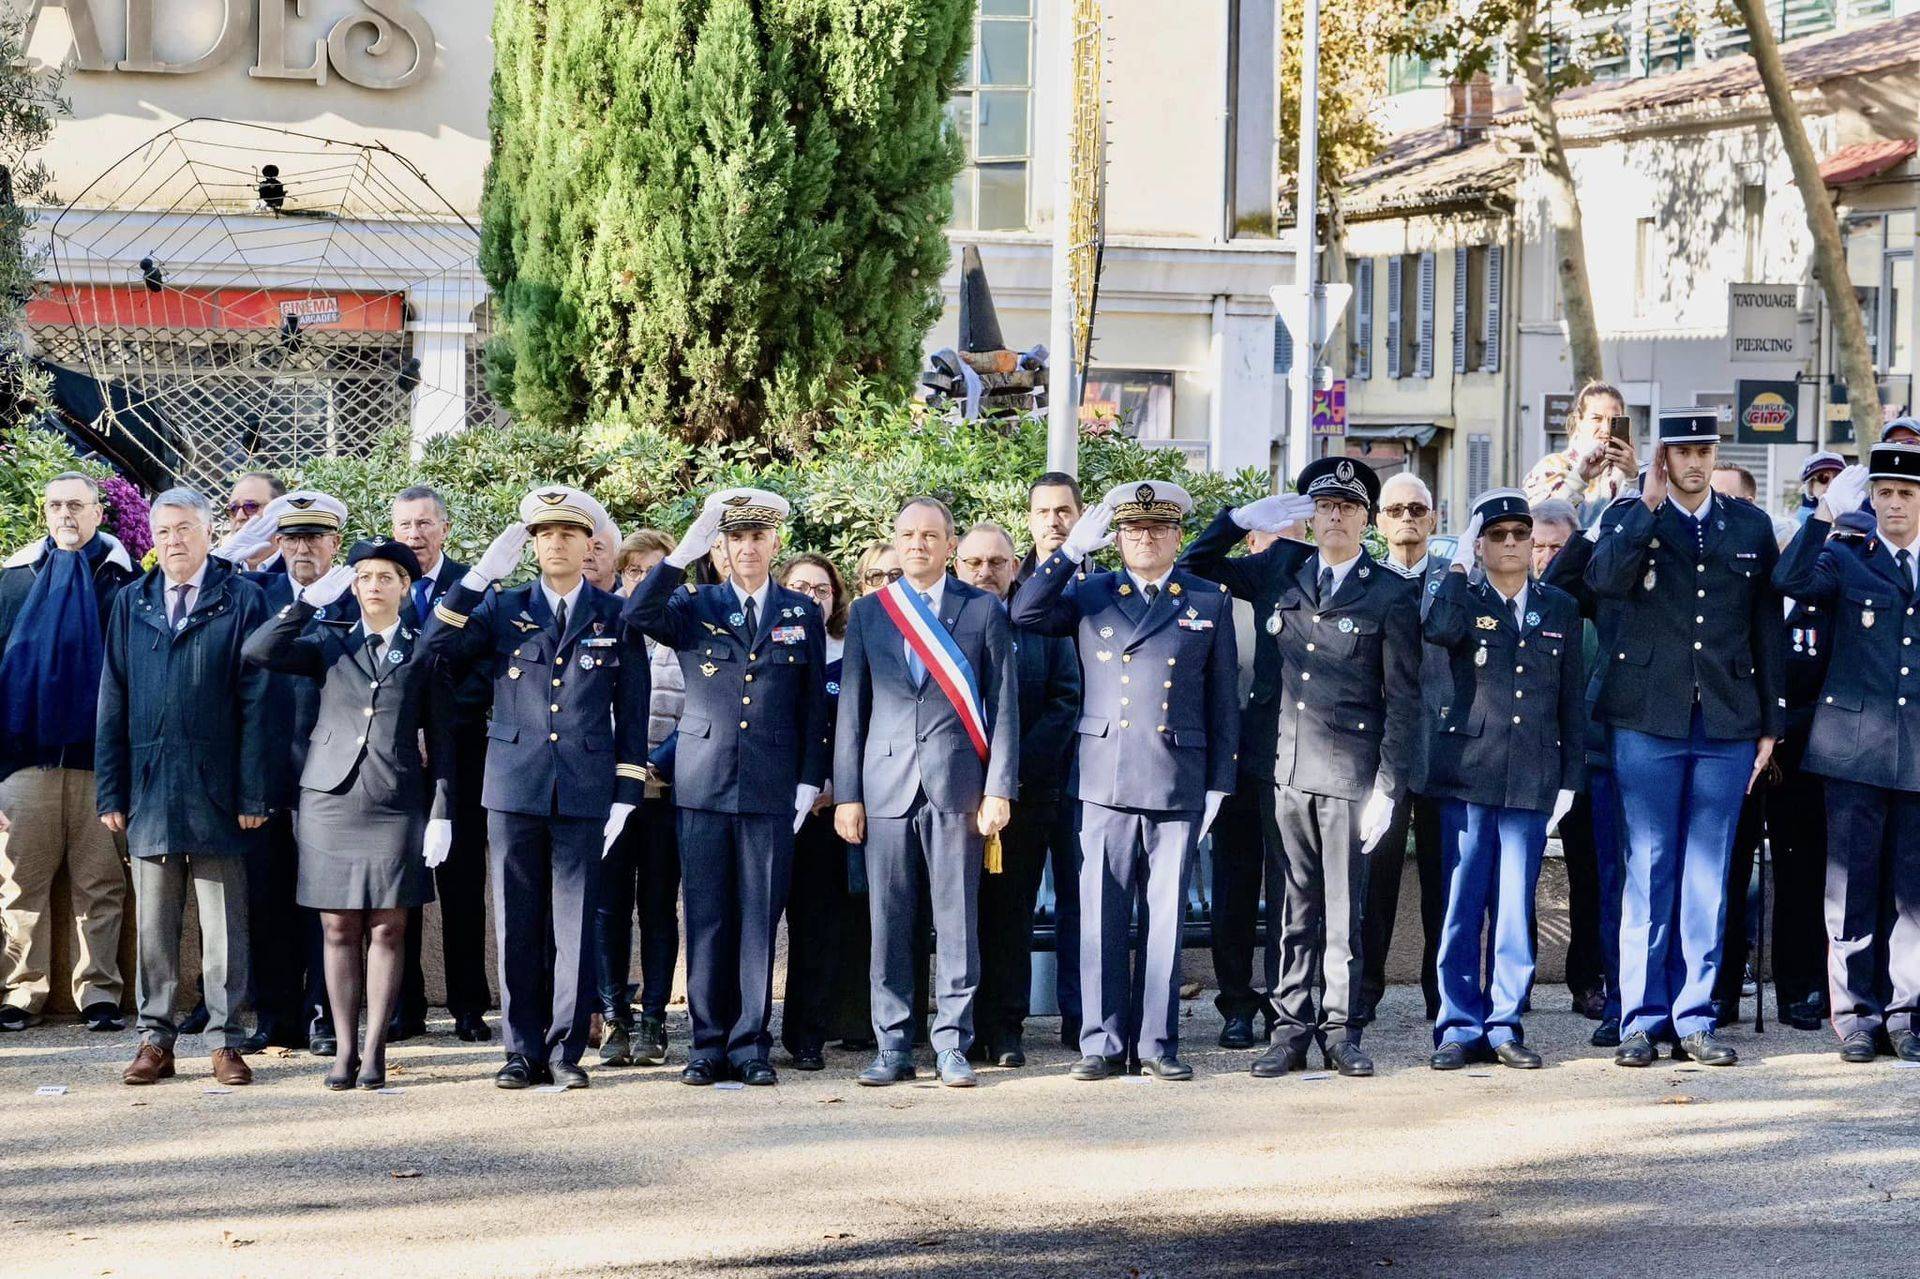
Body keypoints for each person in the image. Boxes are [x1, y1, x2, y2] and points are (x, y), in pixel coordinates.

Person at [1184, 458, 1420, 1079]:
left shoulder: (1391, 591)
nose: (1334, 516)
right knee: (1291, 905)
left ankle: (1341, 1029)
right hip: (1283, 763)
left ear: (1367, 519)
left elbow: (1403, 697)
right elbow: (1191, 569)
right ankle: (1289, 1028)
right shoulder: (1279, 568)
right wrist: (1234, 521)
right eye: (1324, 506)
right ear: (1310, 516)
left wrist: (1389, 788)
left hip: (1349, 772)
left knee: (1344, 910)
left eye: (1347, 506)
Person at [423, 485, 650, 1090]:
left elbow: (633, 711)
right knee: (517, 923)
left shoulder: (616, 614)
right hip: (514, 784)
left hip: (585, 784)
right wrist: (478, 575)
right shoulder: (502, 607)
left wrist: (627, 792)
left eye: (568, 534)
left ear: (589, 546)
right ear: (532, 546)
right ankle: (519, 1050)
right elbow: (433, 646)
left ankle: (565, 1050)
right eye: (544, 534)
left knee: (576, 925)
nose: (555, 543)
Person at [1013, 482, 1236, 1080]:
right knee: (1100, 915)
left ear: (1177, 537)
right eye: (1133, 528)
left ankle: (1159, 1044)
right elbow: (1025, 611)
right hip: (1104, 775)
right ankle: (1103, 1043)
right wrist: (1065, 552)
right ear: (1115, 537)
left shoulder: (1207, 600)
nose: (1145, 538)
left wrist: (1219, 781)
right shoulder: (1090, 593)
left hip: (1176, 775)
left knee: (1164, 921)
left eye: (1159, 529)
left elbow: (1222, 700)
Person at [1585, 409, 1784, 1067]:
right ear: (1663, 455)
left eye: (1705, 449)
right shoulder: (1629, 517)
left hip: (1726, 718)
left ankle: (1694, 1016)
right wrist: (1645, 505)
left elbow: (1766, 629)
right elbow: (1603, 580)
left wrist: (1771, 724)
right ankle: (1641, 1019)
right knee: (1648, 867)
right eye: (1682, 450)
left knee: (1708, 875)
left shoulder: (1749, 525)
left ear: (1715, 451)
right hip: (1647, 716)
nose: (1695, 462)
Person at [623, 488, 827, 1087]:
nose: (748, 548)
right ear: (720, 545)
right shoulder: (695, 602)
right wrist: (681, 551)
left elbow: (814, 703)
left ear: (775, 543)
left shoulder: (800, 611)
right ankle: (707, 1044)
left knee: (760, 917)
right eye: (736, 538)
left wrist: (809, 777)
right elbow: (637, 614)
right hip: (704, 779)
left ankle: (750, 1043)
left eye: (758, 537)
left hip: (771, 783)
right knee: (707, 916)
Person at [242, 539, 453, 1089]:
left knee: (388, 926)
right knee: (337, 926)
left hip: (395, 800)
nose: (374, 585)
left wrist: (442, 811)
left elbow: (446, 741)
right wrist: (309, 601)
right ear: (353, 585)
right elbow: (259, 651)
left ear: (406, 586)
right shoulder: (327, 643)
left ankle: (376, 1048)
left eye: (386, 576)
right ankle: (342, 1048)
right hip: (329, 800)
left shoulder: (425, 647)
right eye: (364, 577)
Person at [834, 496, 1018, 1087]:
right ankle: (892, 1045)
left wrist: (999, 788)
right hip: (885, 787)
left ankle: (953, 1045)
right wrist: (847, 794)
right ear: (896, 540)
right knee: (888, 923)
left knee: (958, 923)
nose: (918, 544)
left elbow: (1004, 705)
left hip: (958, 786)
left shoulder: (982, 610)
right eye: (908, 535)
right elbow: (852, 712)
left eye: (930, 536)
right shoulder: (869, 613)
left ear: (949, 544)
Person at [97, 488, 270, 1086]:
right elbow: (112, 700)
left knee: (224, 923)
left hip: (220, 787)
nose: (174, 540)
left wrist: (253, 793)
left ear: (207, 533)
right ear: (153, 536)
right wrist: (111, 791)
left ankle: (225, 1042)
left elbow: (257, 700)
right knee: (155, 924)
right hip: (149, 788)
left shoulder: (241, 598)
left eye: (186, 529)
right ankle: (155, 1040)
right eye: (164, 530)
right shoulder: (130, 602)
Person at [1422, 490, 1584, 1069]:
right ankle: (1459, 1024)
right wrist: (1459, 560)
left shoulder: (1559, 606)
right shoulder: (1462, 598)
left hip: (1531, 774)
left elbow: (1571, 697)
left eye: (1521, 534)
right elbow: (1437, 630)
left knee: (1516, 904)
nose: (1512, 544)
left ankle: (1505, 1021)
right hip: (1467, 772)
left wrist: (1570, 775)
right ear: (1482, 542)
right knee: (1463, 903)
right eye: (1498, 535)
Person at [1774, 452, 1920, 1062]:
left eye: (1905, 493)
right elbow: (1790, 582)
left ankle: (1907, 1014)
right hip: (1853, 746)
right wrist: (1824, 513)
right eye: (1882, 491)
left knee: (1912, 891)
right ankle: (1858, 1014)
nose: (1892, 503)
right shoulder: (1846, 554)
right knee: (1852, 884)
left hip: (1916, 750)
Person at [0, 473, 137, 1032]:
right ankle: (19, 993)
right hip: (23, 761)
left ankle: (98, 994)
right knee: (18, 886)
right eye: (55, 505)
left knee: (100, 885)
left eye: (76, 505)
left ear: (98, 512)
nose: (65, 515)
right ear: (45, 513)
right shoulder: (11, 582)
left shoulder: (124, 583)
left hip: (98, 764)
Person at [220, 491, 348, 1055]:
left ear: (334, 544)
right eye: (292, 537)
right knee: (268, 897)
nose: (302, 548)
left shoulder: (356, 592)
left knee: (327, 901)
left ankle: (323, 1015)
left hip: (335, 770)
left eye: (314, 537)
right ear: (278, 542)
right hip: (267, 769)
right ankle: (275, 1016)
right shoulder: (257, 596)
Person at [957, 521, 1078, 1067]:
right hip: (952, 797)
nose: (985, 572)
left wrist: (1006, 777)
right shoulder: (942, 620)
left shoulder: (1041, 623)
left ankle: (1005, 1029)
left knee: (1010, 917)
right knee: (957, 916)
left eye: (997, 563)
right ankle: (954, 1028)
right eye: (974, 563)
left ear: (1014, 566)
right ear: (958, 566)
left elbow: (1064, 700)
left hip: (1024, 797)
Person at [387, 485, 493, 1044]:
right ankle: (405, 1005)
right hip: (398, 759)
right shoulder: (380, 585)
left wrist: (439, 728)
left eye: (425, 524)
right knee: (402, 882)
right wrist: (411, 730)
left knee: (461, 883)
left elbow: (482, 670)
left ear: (445, 528)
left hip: (462, 755)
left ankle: (469, 1005)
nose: (414, 536)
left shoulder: (473, 587)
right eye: (404, 525)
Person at [1362, 472, 1447, 1025]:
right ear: (1378, 522)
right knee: (1375, 881)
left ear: (1435, 518)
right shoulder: (1363, 581)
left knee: (1444, 882)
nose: (1407, 518)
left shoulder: (1457, 579)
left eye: (1417, 508)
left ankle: (1443, 999)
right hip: (1380, 754)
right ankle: (1363, 995)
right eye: (1394, 509)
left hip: (1444, 750)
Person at [596, 528, 683, 1068]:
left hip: (665, 792)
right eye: (632, 571)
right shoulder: (606, 627)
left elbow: (701, 706)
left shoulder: (686, 631)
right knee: (607, 908)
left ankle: (654, 1018)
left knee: (656, 906)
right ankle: (613, 1018)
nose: (641, 579)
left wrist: (657, 761)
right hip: (607, 793)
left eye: (653, 570)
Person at [1206, 519, 1286, 1051]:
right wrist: (1232, 518)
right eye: (1266, 536)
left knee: (1288, 890)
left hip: (1287, 758)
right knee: (1233, 891)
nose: (1277, 549)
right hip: (1232, 761)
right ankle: (1236, 1002)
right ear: (1249, 543)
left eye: (1290, 537)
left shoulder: (1303, 587)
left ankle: (1286, 1000)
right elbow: (1194, 559)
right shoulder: (1221, 594)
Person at [1015, 472, 1087, 1049]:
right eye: (1043, 512)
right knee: (1013, 899)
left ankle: (1080, 1016)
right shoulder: (1015, 585)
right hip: (1032, 772)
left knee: (1082, 899)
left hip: (1100, 768)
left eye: (1064, 511)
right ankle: (1006, 1020)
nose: (1054, 521)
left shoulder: (1112, 580)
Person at [775, 551, 851, 1070]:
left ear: (836, 598)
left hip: (828, 812)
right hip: (772, 806)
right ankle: (745, 1033)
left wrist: (837, 786)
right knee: (757, 923)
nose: (810, 597)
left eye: (821, 589)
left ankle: (806, 1037)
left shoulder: (852, 649)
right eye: (799, 586)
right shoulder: (770, 645)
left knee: (817, 927)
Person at [1523, 382, 1638, 512]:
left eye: (1613, 421)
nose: (1606, 429)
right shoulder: (1550, 467)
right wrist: (1579, 478)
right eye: (1597, 419)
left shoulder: (1630, 471)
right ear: (1579, 420)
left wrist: (1633, 477)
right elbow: (1536, 518)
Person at [225, 471, 288, 571]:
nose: (239, 516)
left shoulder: (298, 570)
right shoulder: (221, 568)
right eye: (233, 509)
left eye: (251, 506)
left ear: (279, 511)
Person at [1796, 453, 1844, 528]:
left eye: (1837, 478)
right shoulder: (1804, 520)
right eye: (1823, 477)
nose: (1831, 484)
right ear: (1810, 484)